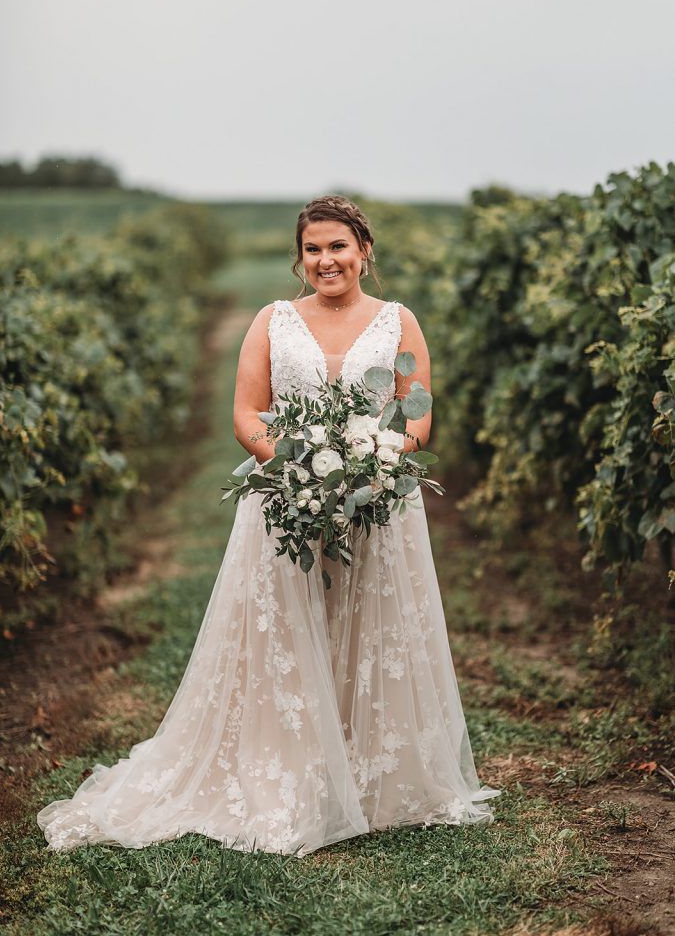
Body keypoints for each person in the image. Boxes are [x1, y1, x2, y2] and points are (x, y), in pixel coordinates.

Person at [37, 195, 500, 856]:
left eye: (337, 246)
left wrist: (373, 457)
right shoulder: (272, 320)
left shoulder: (398, 322)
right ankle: (293, 772)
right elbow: (247, 415)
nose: (325, 260)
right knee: (287, 627)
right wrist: (299, 463)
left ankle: (371, 775)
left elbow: (417, 417)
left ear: (363, 251)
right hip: (285, 496)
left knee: (370, 625)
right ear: (299, 256)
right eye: (312, 249)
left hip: (375, 500)